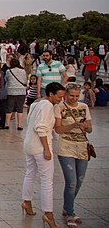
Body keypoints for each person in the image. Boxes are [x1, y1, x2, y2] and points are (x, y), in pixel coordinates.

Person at [21, 82, 65, 228]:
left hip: (29, 144)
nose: (61, 99)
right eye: (59, 96)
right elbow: (40, 128)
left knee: (30, 174)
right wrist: (47, 149)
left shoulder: (36, 104)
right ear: (51, 94)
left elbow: (30, 121)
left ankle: (26, 201)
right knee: (47, 181)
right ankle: (48, 213)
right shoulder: (47, 106)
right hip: (40, 146)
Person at [54, 83, 93, 227]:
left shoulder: (84, 107)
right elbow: (58, 129)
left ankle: (67, 206)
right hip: (66, 147)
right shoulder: (59, 107)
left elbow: (90, 129)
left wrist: (85, 126)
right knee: (71, 182)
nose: (74, 98)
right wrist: (73, 125)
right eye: (71, 95)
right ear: (65, 94)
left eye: (77, 96)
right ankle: (70, 213)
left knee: (79, 181)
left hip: (82, 147)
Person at [4, 58, 28, 130]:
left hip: (11, 91)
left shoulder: (9, 71)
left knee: (9, 108)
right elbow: (25, 81)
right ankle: (19, 125)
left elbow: (6, 79)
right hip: (21, 92)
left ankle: (7, 124)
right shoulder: (23, 71)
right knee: (20, 109)